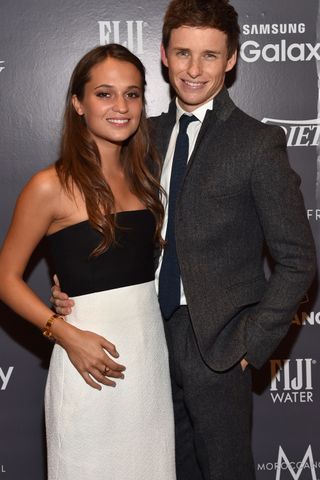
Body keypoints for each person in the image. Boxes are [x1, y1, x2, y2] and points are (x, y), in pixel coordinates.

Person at [51, 1, 316, 479]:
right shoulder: (142, 136)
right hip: (143, 336)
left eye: (210, 56)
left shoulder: (256, 142)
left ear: (231, 59)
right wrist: (75, 284)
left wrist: (250, 343)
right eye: (183, 53)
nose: (194, 70)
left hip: (216, 345)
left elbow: (298, 259)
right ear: (164, 55)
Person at [0, 44, 176, 480]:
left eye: (133, 94)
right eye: (104, 94)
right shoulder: (50, 185)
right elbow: (5, 277)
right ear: (78, 103)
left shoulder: (147, 177)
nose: (121, 106)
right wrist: (64, 334)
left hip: (149, 364)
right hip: (85, 367)